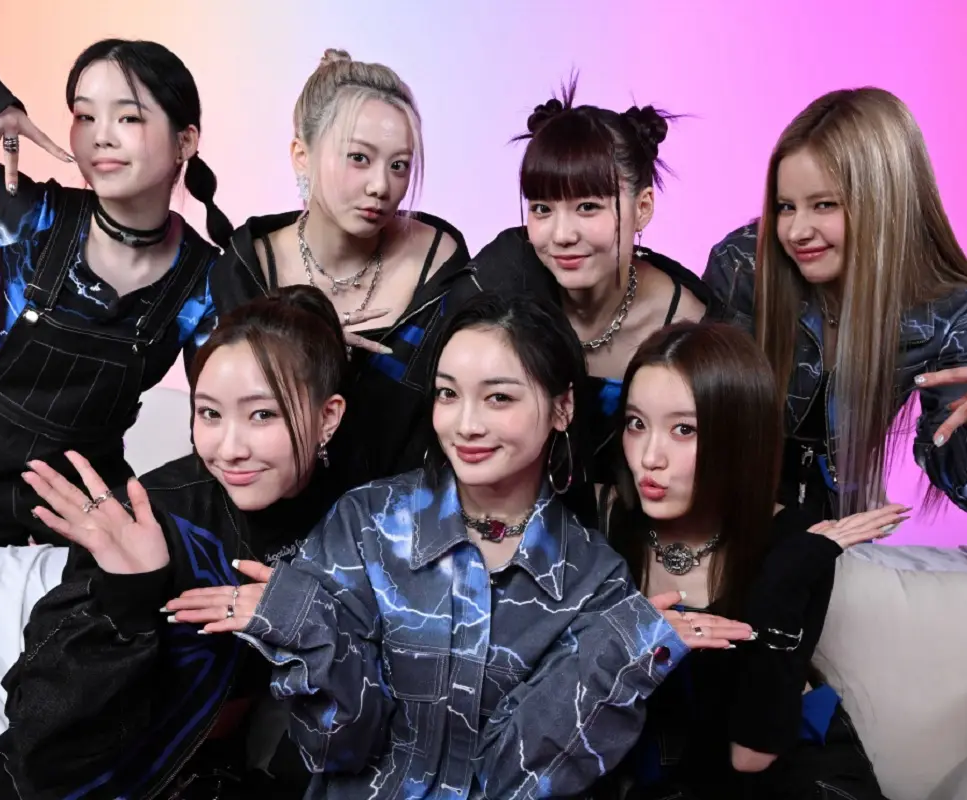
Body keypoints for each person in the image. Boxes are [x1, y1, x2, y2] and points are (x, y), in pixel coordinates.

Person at [233, 293, 753, 799]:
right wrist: (306, 630)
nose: (465, 425)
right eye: (447, 394)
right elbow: (336, 746)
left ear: (563, 407)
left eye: (499, 397)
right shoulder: (367, 523)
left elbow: (517, 781)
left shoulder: (595, 579)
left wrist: (618, 657)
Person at [0, 285, 346, 799]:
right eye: (210, 413)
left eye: (263, 415)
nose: (229, 449)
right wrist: (129, 596)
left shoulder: (354, 518)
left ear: (328, 417)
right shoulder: (149, 518)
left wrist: (305, 620)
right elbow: (42, 742)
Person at [702, 87, 967, 523]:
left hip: (836, 529)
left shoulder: (949, 311)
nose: (796, 231)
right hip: (717, 508)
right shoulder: (744, 263)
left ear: (886, 202)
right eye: (785, 207)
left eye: (824, 205)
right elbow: (693, 411)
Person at [0, 40, 232, 547]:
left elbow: (223, 427)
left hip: (79, 502)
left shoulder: (206, 284)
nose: (100, 137)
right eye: (84, 116)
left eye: (128, 117)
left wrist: (143, 507)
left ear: (185, 141)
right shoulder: (26, 216)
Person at [210, 49, 513, 526]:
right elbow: (224, 419)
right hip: (270, 512)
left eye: (399, 166)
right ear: (302, 155)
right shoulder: (245, 268)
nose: (381, 186)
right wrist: (308, 341)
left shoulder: (440, 261)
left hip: (405, 520)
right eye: (359, 158)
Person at [605, 321, 893, 799]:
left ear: (740, 436)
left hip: (783, 774)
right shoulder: (605, 521)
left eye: (684, 429)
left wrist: (781, 584)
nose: (650, 457)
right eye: (637, 424)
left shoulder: (794, 542)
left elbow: (751, 755)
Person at [470, 76, 708, 497]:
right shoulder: (504, 275)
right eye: (542, 208)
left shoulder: (690, 329)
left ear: (643, 207)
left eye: (587, 207)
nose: (562, 235)